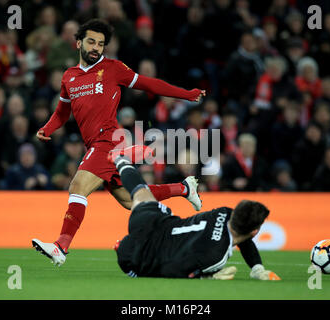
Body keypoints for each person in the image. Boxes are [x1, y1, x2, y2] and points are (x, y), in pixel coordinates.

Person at [32, 19, 205, 265]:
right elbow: (62, 112)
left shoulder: (113, 69)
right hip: (94, 145)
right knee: (130, 200)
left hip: (108, 142)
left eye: (101, 44)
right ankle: (185, 188)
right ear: (79, 42)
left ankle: (61, 246)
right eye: (91, 41)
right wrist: (47, 128)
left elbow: (149, 83)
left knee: (78, 187)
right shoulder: (69, 77)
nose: (96, 48)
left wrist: (186, 94)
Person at [111, 151, 281, 280]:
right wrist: (208, 274)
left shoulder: (224, 212)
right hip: (138, 255)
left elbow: (244, 238)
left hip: (152, 222)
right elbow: (175, 269)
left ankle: (120, 159)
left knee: (141, 192)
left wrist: (256, 267)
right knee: (157, 264)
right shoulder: (217, 256)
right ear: (254, 231)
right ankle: (121, 248)